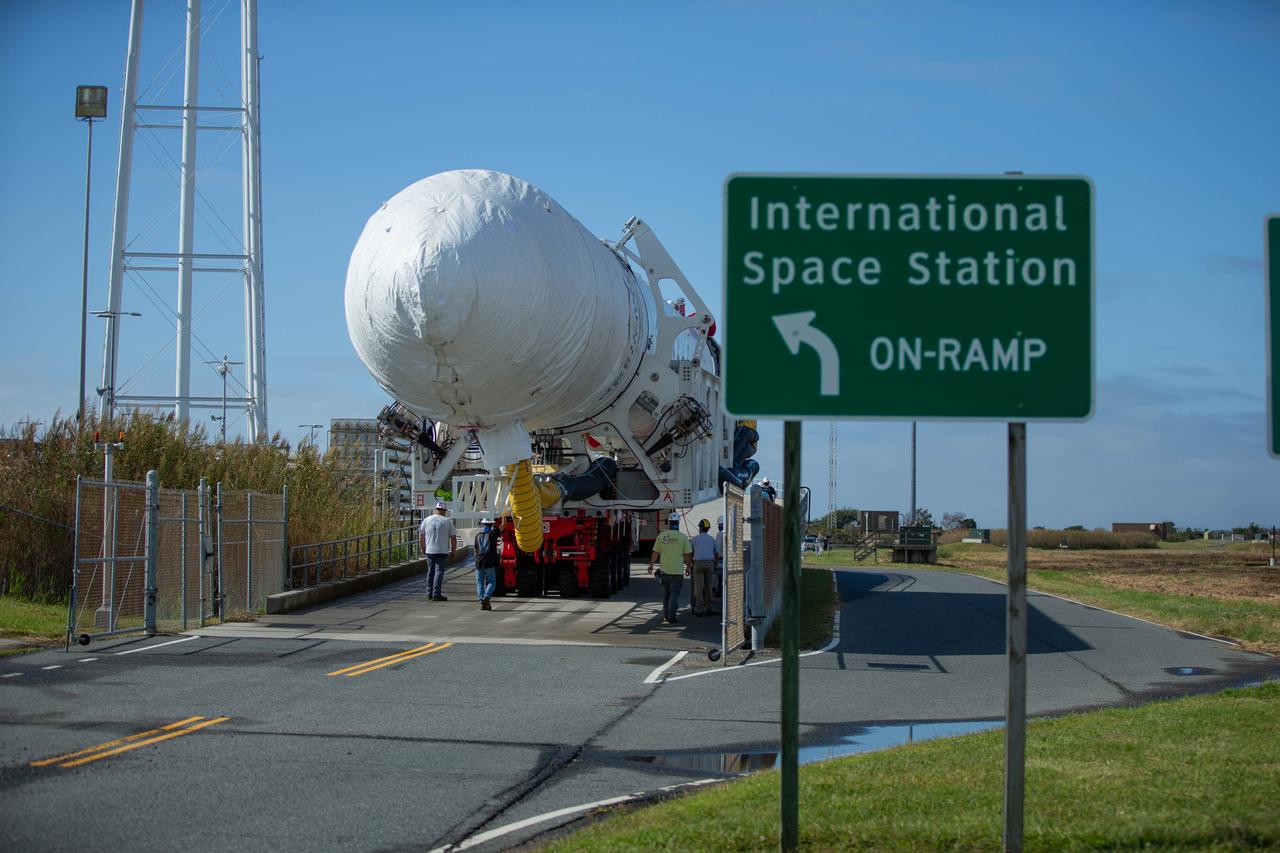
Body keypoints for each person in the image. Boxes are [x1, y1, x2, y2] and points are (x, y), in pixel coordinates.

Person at [647, 510, 691, 624]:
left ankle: (666, 615)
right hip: (677, 572)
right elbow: (687, 555)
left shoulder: (662, 536)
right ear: (678, 523)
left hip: (664, 572)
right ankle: (671, 616)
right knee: (674, 595)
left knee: (666, 594)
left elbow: (655, 552)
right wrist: (688, 567)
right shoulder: (683, 538)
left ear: (669, 523)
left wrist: (651, 565)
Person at [418, 500, 457, 601]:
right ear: (444, 510)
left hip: (430, 551)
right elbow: (453, 538)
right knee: (439, 572)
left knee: (430, 571)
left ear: (436, 509)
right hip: (442, 551)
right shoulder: (448, 521)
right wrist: (453, 551)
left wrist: (422, 547)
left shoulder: (427, 520)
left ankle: (429, 592)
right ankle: (436, 593)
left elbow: (421, 535)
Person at [689, 518, 717, 617]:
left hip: (697, 564)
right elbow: (716, 553)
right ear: (708, 529)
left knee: (698, 588)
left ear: (700, 528)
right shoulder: (712, 540)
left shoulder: (695, 539)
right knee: (708, 587)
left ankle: (699, 609)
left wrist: (690, 564)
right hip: (709, 564)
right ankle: (709, 608)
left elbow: (691, 552)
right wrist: (714, 564)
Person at [473, 517, 499, 610]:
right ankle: (486, 597)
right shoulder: (492, 534)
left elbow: (475, 550)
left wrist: (476, 560)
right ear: (492, 525)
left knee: (479, 582)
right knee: (492, 581)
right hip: (489, 562)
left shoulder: (478, 535)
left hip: (478, 562)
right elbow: (503, 526)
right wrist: (504, 515)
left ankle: (481, 600)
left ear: (482, 524)